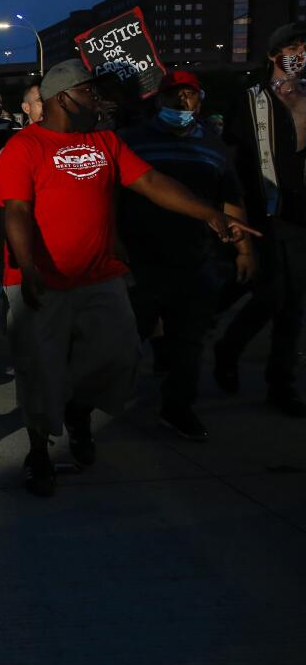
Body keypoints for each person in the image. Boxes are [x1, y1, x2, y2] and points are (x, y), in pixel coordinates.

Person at [0, 60, 255, 497]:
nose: (99, 101)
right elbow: (16, 210)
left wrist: (210, 213)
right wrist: (28, 266)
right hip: (40, 280)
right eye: (91, 92)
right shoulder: (25, 146)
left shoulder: (106, 141)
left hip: (100, 276)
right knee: (39, 372)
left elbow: (151, 181)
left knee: (118, 357)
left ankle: (78, 411)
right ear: (64, 98)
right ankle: (39, 452)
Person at [120, 70, 252, 441]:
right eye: (173, 96)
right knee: (126, 340)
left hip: (195, 260)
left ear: (200, 100)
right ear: (158, 101)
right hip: (141, 261)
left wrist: (243, 248)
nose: (181, 103)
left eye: (189, 96)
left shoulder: (212, 145)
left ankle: (178, 408)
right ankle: (97, 403)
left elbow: (230, 199)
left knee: (188, 343)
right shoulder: (132, 141)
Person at [215, 23, 306, 417]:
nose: (300, 53)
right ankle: (228, 348)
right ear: (273, 54)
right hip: (262, 213)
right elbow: (232, 160)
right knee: (270, 295)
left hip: (301, 214)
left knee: (294, 304)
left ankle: (280, 383)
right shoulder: (250, 100)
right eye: (292, 46)